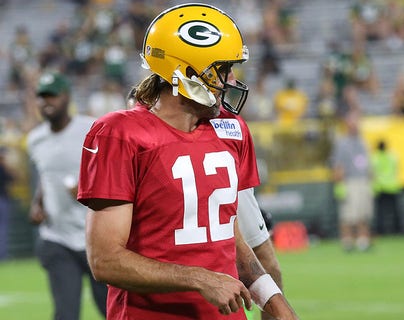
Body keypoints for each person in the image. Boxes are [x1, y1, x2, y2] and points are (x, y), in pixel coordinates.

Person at [76, 4, 297, 319]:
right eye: (222, 69)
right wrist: (198, 278)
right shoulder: (119, 134)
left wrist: (277, 305)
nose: (232, 79)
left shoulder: (231, 131)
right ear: (189, 73)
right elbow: (105, 260)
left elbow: (228, 239)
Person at [26, 71, 108, 320]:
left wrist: (88, 189)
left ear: (67, 97)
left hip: (96, 237)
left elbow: (114, 169)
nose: (46, 102)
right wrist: (37, 203)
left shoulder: (91, 128)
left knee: (112, 311)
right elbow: (46, 176)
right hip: (57, 238)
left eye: (52, 96)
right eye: (42, 97)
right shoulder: (35, 139)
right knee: (65, 314)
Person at [330, 111, 373, 252]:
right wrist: (339, 183)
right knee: (348, 214)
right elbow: (338, 165)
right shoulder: (342, 143)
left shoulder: (362, 141)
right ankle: (347, 240)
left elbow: (367, 162)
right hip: (349, 181)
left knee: (363, 213)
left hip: (362, 180)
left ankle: (362, 240)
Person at [371, 140, 402, 234]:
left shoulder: (375, 157)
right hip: (392, 186)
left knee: (380, 212)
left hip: (380, 187)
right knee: (394, 211)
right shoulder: (392, 156)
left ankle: (381, 230)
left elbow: (372, 172)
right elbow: (398, 168)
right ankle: (397, 229)